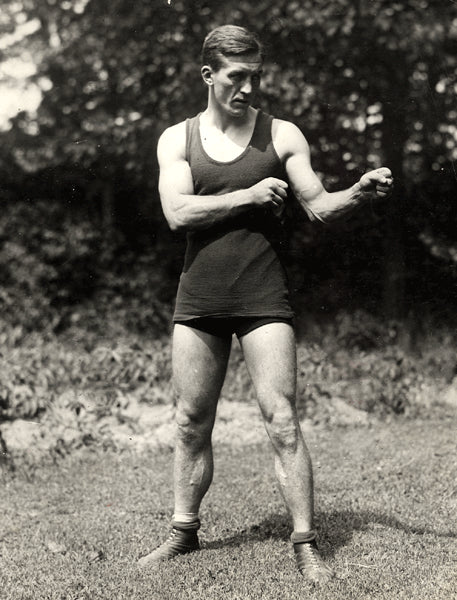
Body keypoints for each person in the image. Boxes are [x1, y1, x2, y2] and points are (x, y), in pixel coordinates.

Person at [138, 24, 393, 584]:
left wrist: (357, 192)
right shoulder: (176, 139)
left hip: (262, 295)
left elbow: (319, 206)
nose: (249, 87)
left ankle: (304, 543)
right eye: (237, 76)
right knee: (188, 422)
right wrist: (248, 196)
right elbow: (177, 214)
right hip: (199, 293)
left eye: (256, 76)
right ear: (209, 75)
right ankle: (183, 533)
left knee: (281, 420)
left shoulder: (281, 134)